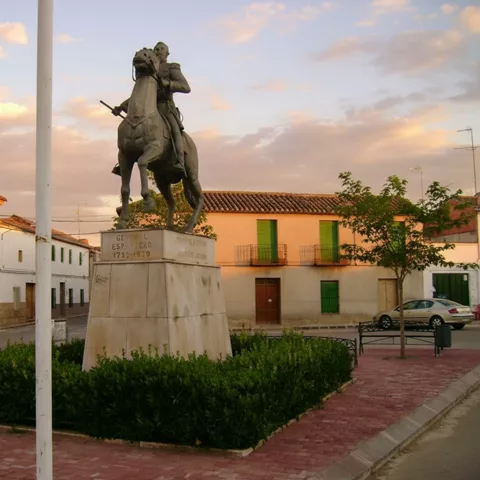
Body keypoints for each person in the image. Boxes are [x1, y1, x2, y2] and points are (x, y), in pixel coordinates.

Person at [111, 41, 191, 178]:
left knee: (175, 129)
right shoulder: (149, 68)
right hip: (146, 105)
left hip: (165, 107)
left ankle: (180, 161)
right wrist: (121, 107)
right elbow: (140, 94)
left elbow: (185, 87)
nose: (158, 50)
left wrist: (168, 83)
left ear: (167, 53)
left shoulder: (171, 67)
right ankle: (124, 160)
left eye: (161, 49)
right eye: (156, 49)